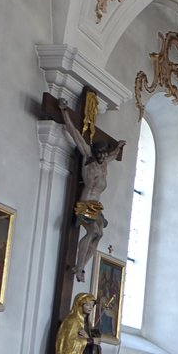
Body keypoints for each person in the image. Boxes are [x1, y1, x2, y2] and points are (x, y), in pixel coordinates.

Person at [60, 107, 124, 283]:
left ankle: (81, 266)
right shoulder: (88, 157)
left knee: (99, 234)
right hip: (86, 202)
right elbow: (75, 134)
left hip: (96, 206)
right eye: (100, 154)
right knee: (93, 231)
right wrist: (64, 111)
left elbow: (113, 155)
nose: (103, 157)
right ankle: (79, 267)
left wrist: (118, 147)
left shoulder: (104, 164)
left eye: (104, 154)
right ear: (95, 153)